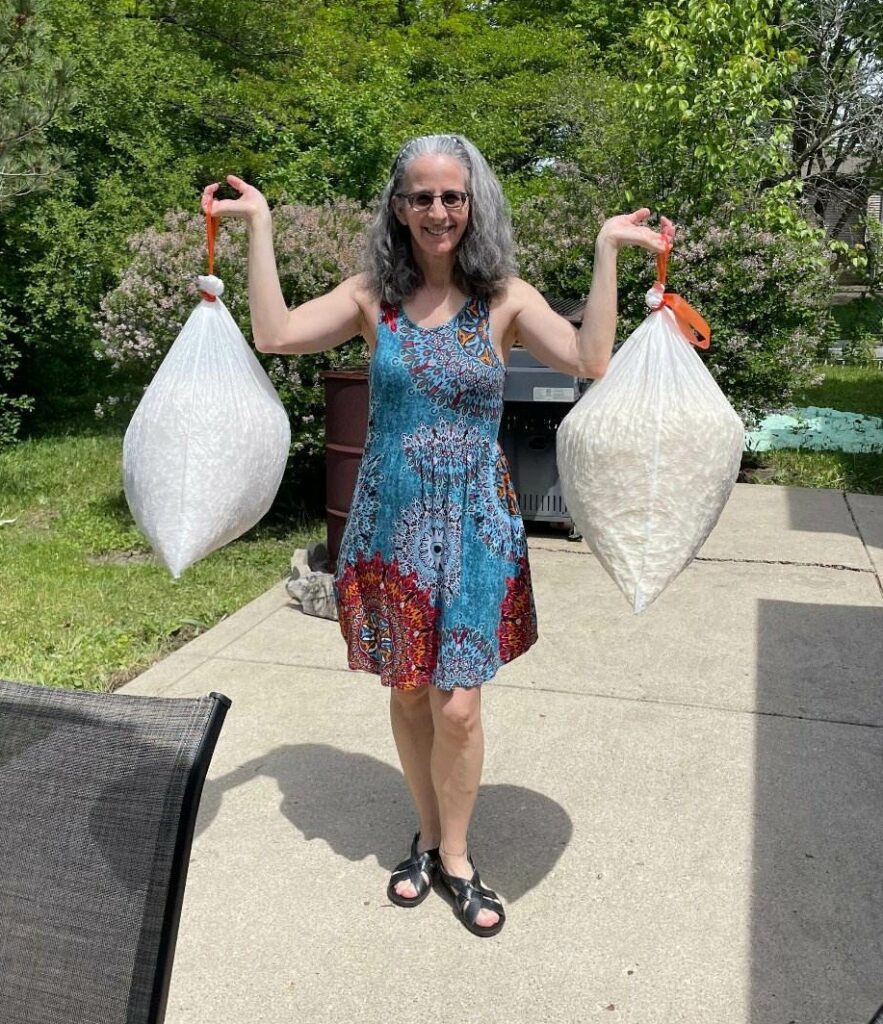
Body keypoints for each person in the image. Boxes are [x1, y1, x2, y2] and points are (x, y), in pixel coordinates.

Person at [202, 133, 675, 938]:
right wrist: (259, 228)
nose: (436, 210)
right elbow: (276, 333)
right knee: (410, 690)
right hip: (389, 524)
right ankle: (424, 833)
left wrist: (606, 252)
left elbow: (592, 359)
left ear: (473, 204)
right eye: (420, 196)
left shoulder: (506, 300)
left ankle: (455, 855)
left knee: (458, 707)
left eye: (451, 196)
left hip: (475, 524)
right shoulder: (368, 298)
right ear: (397, 208)